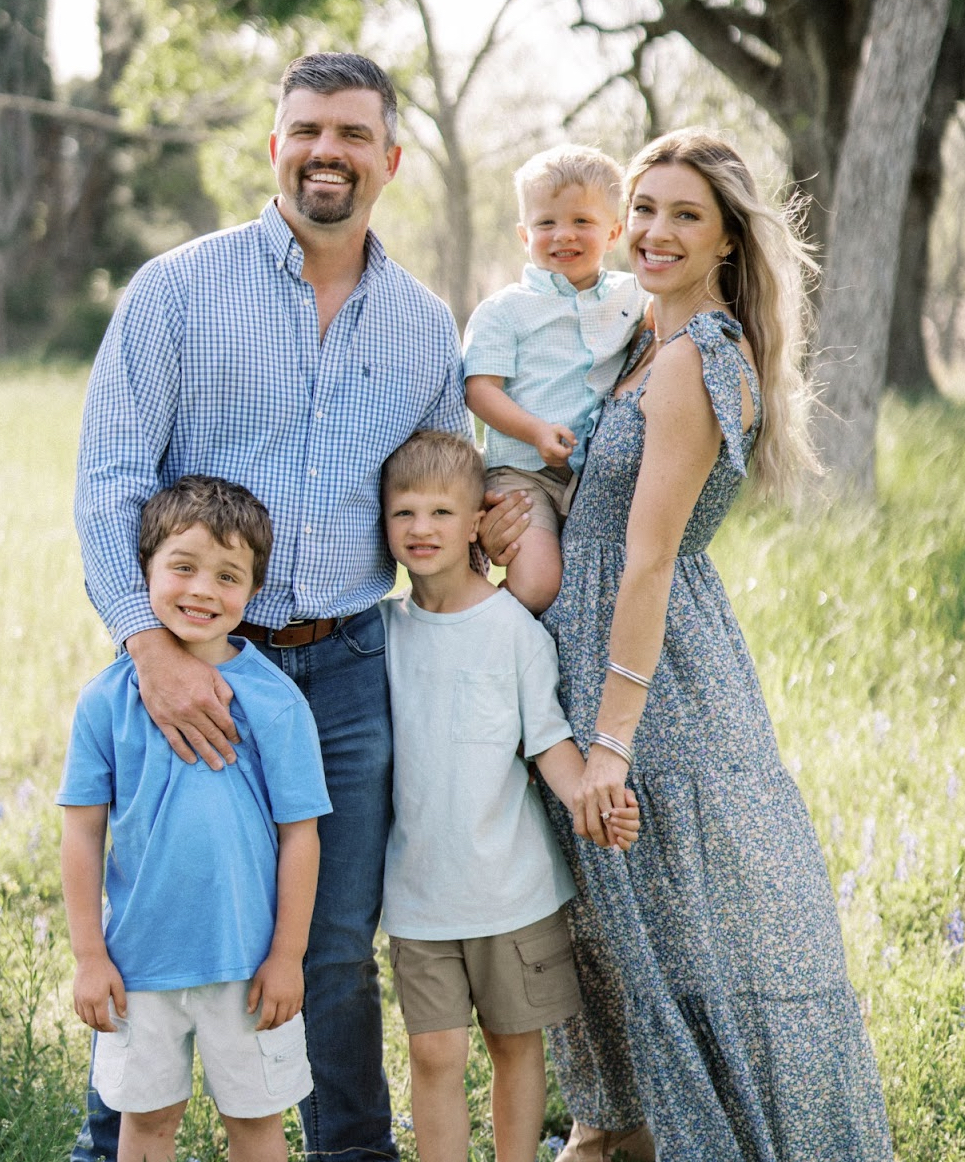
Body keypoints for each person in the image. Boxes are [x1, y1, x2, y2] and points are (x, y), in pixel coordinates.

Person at [72, 52, 471, 1162]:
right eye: (306, 130)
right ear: (274, 147)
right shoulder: (176, 291)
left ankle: (349, 1151)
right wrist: (151, 647)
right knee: (156, 919)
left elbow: (441, 491)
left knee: (332, 943)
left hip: (346, 666)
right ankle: (107, 1146)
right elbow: (109, 479)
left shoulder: (425, 327)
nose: (326, 151)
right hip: (195, 657)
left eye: (351, 133)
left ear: (390, 159)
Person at [482, 129, 893, 1161]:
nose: (656, 231)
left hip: (652, 694)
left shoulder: (696, 361)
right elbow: (592, 514)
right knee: (623, 949)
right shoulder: (642, 346)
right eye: (648, 208)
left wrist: (611, 741)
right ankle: (611, 1131)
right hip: (586, 662)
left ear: (725, 242)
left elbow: (649, 559)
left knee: (683, 940)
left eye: (686, 215)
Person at [377, 429, 639, 1162]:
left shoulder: (514, 630)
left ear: (477, 524)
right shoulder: (382, 634)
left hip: (512, 891)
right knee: (433, 1055)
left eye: (440, 513)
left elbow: (549, 743)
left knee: (515, 1046)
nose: (422, 529)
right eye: (404, 514)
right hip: (420, 894)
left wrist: (591, 798)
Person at [59, 476, 332, 1162]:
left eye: (228, 575)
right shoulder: (105, 702)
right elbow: (81, 833)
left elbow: (301, 835)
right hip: (139, 965)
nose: (203, 590)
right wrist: (91, 957)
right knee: (146, 1126)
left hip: (248, 964)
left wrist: (287, 956)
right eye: (182, 567)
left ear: (253, 591)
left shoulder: (275, 701)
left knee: (257, 1127)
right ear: (144, 568)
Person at [464, 144, 646, 614]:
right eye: (547, 223)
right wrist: (536, 431)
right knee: (540, 584)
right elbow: (480, 389)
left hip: (594, 478)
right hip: (522, 471)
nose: (563, 235)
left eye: (581, 221)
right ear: (525, 234)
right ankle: (475, 620)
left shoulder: (632, 296)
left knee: (599, 589)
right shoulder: (505, 311)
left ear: (614, 232)